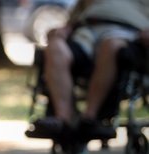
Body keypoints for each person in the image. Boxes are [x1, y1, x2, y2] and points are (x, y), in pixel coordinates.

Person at [28, 0, 149, 139]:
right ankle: (63, 119)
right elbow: (73, 18)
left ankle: (90, 118)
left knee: (111, 46)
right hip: (85, 31)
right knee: (55, 46)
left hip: (126, 31)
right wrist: (65, 29)